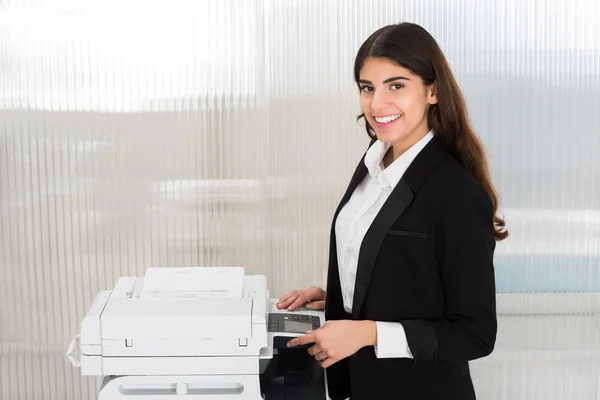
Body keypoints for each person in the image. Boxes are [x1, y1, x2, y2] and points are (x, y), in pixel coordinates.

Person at [277, 22, 508, 400]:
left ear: (432, 91)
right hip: (358, 385)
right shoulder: (373, 165)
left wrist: (367, 332)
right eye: (367, 88)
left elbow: (475, 334)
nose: (377, 104)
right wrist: (339, 298)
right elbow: (398, 268)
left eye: (396, 85)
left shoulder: (457, 195)